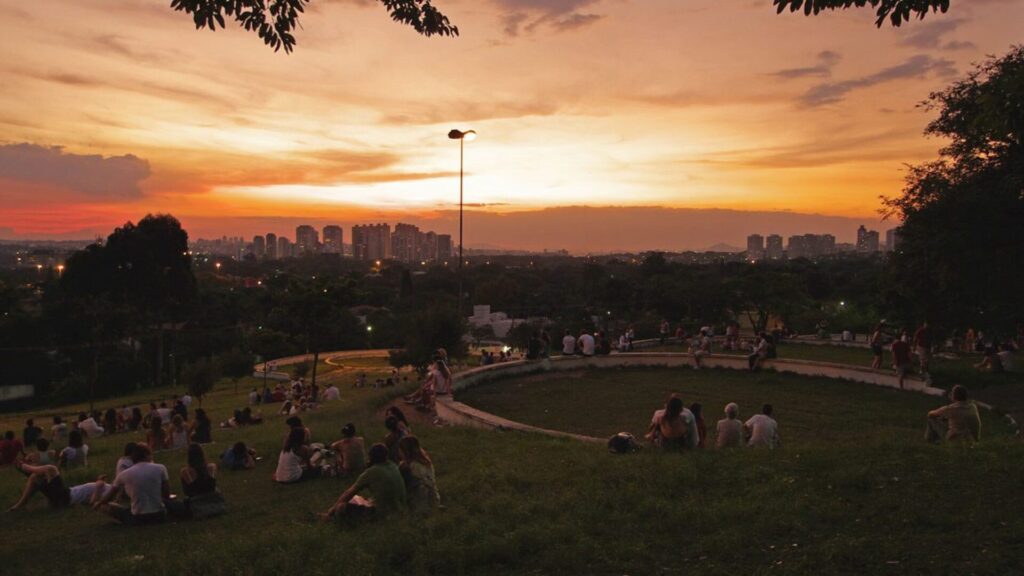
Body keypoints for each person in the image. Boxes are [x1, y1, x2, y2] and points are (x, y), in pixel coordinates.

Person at [319, 443, 406, 521]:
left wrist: (331, 511)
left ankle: (330, 519)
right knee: (358, 498)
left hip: (383, 515)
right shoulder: (393, 465)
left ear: (371, 457)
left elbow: (349, 493)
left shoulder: (372, 472)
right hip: (400, 510)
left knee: (342, 507)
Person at [94, 443, 170, 525]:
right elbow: (166, 493)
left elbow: (108, 497)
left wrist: (99, 503)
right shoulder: (161, 468)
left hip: (137, 518)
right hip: (159, 516)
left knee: (105, 507)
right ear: (147, 455)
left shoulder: (124, 474)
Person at [8, 461, 113, 511]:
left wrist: (99, 486)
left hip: (66, 498)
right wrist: (100, 481)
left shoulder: (108, 493)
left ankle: (27, 468)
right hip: (65, 495)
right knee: (35, 477)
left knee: (51, 469)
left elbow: (93, 502)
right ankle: (19, 504)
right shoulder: (111, 489)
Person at [398, 436, 440, 514]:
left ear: (405, 451)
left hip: (419, 503)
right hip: (434, 498)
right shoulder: (426, 462)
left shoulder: (410, 466)